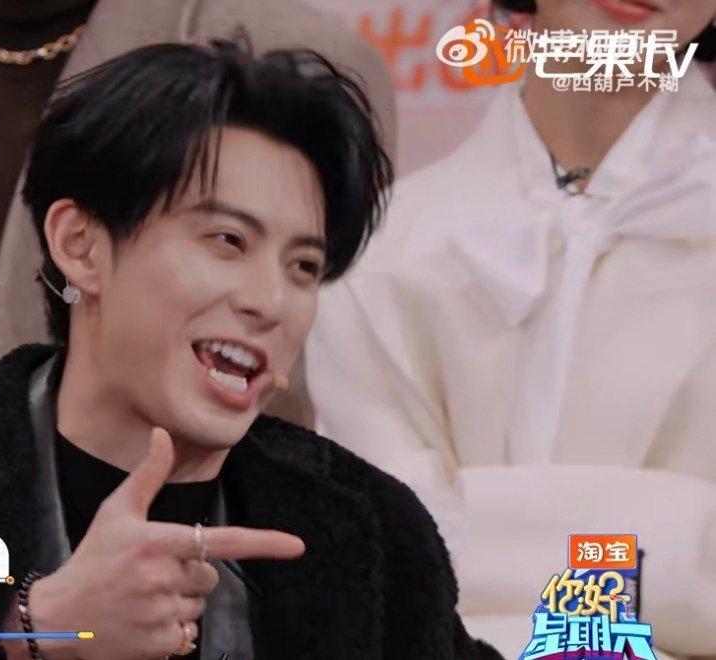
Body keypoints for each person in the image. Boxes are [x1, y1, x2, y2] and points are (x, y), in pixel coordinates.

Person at [0, 41, 498, 660]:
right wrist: (31, 635)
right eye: (227, 240)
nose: (268, 299)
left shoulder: (371, 532)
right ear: (81, 246)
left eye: (303, 267)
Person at [305, 1, 716, 657]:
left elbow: (432, 544)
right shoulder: (377, 255)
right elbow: (391, 561)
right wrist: (670, 546)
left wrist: (474, 525)